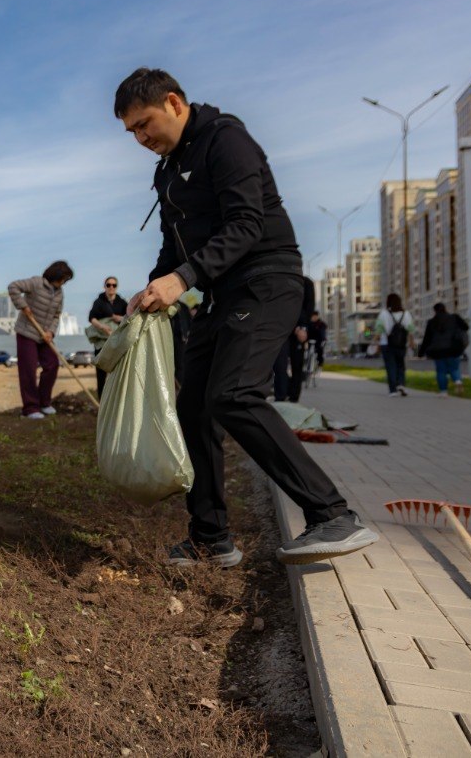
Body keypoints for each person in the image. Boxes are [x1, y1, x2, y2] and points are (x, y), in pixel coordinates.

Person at [113, 67, 377, 567]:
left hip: (266, 278)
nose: (141, 138)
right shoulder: (167, 170)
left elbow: (247, 224)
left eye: (145, 124)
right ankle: (211, 537)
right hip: (219, 292)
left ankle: (332, 515)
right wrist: (156, 284)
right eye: (132, 133)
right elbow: (173, 244)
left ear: (173, 102)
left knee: (233, 395)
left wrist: (183, 279)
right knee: (194, 410)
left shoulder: (224, 139)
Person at [9, 261, 73, 419]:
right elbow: (13, 287)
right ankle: (30, 408)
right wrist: (23, 306)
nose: (63, 282)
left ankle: (44, 402)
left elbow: (57, 315)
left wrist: (51, 331)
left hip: (45, 335)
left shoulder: (59, 293)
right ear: (56, 274)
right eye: (63, 278)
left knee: (52, 364)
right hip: (27, 332)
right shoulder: (36, 283)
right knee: (28, 370)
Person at [272, 275, 315, 403]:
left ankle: (294, 398)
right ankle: (280, 397)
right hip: (281, 330)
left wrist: (303, 327)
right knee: (279, 365)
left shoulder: (306, 283)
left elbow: (309, 306)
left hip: (299, 332)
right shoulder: (278, 281)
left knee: (297, 366)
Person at [86, 276, 126, 399]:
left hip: (117, 341)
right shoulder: (98, 302)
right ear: (105, 286)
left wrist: (119, 318)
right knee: (101, 371)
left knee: (119, 370)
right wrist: (103, 327)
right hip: (102, 341)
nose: (111, 287)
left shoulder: (122, 302)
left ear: (116, 287)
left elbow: (130, 317)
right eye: (108, 285)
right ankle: (101, 400)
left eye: (114, 285)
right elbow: (91, 318)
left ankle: (117, 398)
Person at [417, 302, 468, 397]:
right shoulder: (454, 317)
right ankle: (457, 381)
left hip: (438, 351)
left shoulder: (431, 322)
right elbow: (466, 327)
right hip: (453, 348)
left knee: (441, 371)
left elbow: (426, 339)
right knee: (454, 368)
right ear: (445, 308)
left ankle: (443, 392)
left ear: (434, 311)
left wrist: (421, 352)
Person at [375, 293, 416, 397]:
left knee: (390, 367)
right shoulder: (406, 313)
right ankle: (401, 384)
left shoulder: (383, 314)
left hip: (386, 344)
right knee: (401, 365)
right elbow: (410, 329)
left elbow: (379, 329)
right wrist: (411, 342)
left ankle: (393, 390)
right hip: (401, 344)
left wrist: (376, 343)